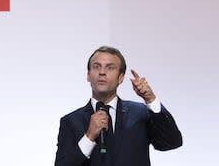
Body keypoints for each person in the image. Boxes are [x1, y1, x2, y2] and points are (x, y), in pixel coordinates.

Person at [54, 46, 182, 166]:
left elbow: (172, 142)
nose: (102, 72)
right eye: (96, 66)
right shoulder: (70, 121)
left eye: (110, 67)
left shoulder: (140, 113)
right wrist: (89, 137)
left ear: (121, 77)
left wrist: (151, 99)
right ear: (88, 75)